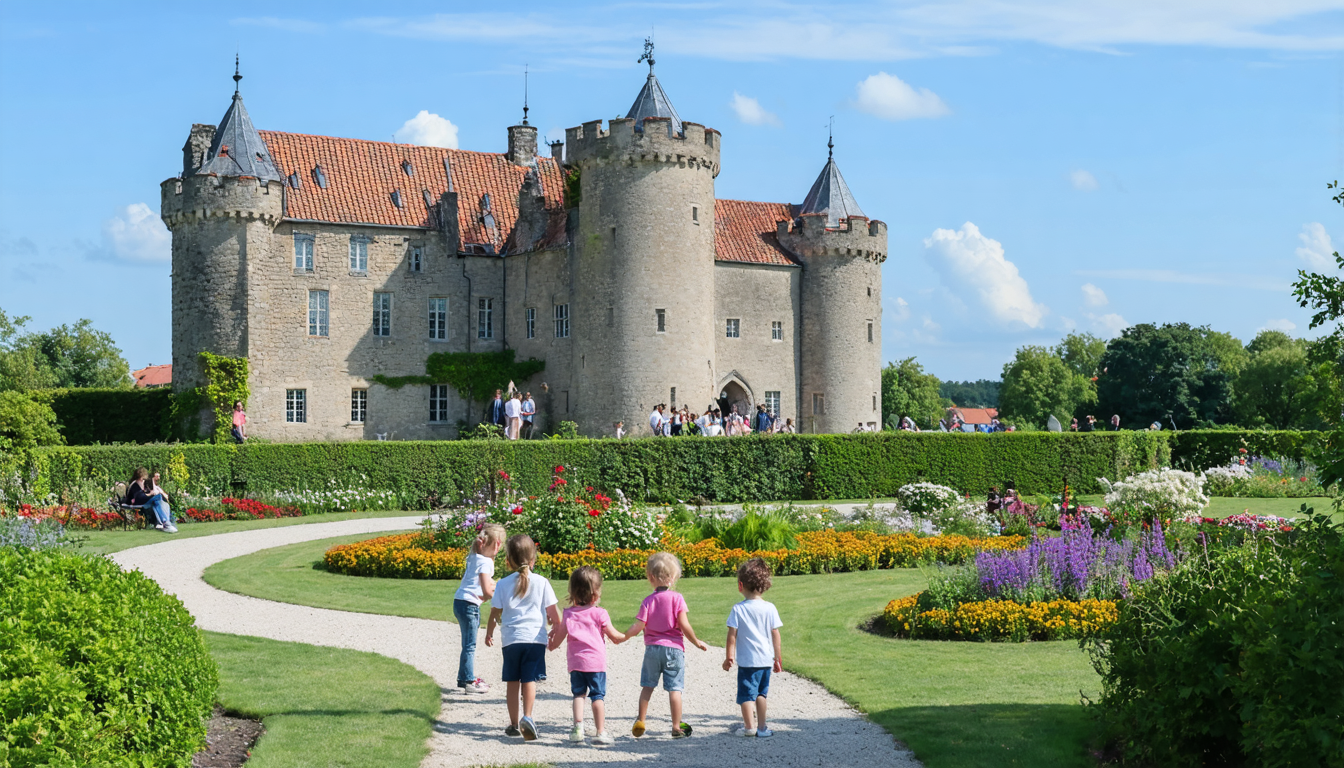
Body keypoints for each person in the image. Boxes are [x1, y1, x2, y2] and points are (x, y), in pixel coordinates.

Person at [623, 552, 710, 739]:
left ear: (650, 577)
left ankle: (641, 721)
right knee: (675, 688)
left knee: (647, 686)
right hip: (674, 649)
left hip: (652, 649)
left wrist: (624, 636)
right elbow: (684, 625)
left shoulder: (648, 601)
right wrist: (696, 641)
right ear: (673, 577)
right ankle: (676, 727)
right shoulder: (677, 599)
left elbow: (638, 626)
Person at [485, 535, 561, 741]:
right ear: (534, 559)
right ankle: (528, 717)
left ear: (508, 560)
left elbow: (495, 613)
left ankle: (513, 723)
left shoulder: (502, 584)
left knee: (512, 681)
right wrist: (555, 629)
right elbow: (554, 615)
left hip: (511, 639)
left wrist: (489, 632)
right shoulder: (542, 582)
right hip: (535, 639)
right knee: (529, 679)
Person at [547, 566, 626, 746]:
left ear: (572, 591)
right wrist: (628, 635)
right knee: (597, 696)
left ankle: (578, 728)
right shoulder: (600, 613)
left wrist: (551, 646)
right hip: (595, 664)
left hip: (576, 663)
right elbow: (615, 635)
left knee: (578, 695)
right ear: (595, 594)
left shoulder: (568, 614)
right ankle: (600, 731)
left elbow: (558, 639)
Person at [723, 558, 784, 738]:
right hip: (765, 660)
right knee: (761, 694)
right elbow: (775, 635)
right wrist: (777, 658)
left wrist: (729, 657)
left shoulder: (738, 609)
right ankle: (763, 728)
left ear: (741, 585)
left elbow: (732, 635)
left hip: (748, 661)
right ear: (764, 585)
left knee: (746, 695)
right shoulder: (770, 608)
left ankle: (749, 727)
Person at [454, 524, 505, 694]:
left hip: (459, 602)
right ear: (497, 544)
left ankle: (464, 677)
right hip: (470, 605)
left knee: (466, 644)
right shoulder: (485, 563)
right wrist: (500, 594)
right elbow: (486, 591)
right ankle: (469, 681)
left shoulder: (474, 557)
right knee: (469, 645)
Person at [125, 467, 176, 533]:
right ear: (140, 477)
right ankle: (166, 523)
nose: (143, 481)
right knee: (159, 497)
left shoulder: (141, 483)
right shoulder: (134, 485)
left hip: (143, 502)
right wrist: (150, 494)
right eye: (143, 478)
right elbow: (138, 497)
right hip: (137, 503)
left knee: (159, 502)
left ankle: (163, 523)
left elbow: (144, 494)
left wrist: (150, 493)